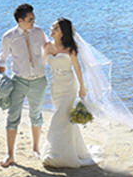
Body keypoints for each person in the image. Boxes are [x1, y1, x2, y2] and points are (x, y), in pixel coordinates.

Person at [0, 3, 48, 168]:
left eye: (34, 19)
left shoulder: (39, 33)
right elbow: (2, 57)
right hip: (19, 81)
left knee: (36, 115)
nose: (34, 22)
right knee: (13, 117)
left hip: (39, 80)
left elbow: (49, 49)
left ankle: (36, 148)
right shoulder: (9, 36)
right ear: (20, 20)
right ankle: (10, 155)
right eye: (30, 19)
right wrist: (1, 78)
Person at [41, 17, 95, 168]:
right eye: (53, 26)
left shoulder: (70, 49)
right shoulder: (47, 47)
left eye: (56, 28)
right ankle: (74, 150)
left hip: (69, 87)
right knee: (65, 120)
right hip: (55, 87)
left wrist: (82, 88)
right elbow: (42, 66)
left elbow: (78, 69)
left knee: (59, 119)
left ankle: (55, 154)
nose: (52, 29)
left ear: (62, 33)